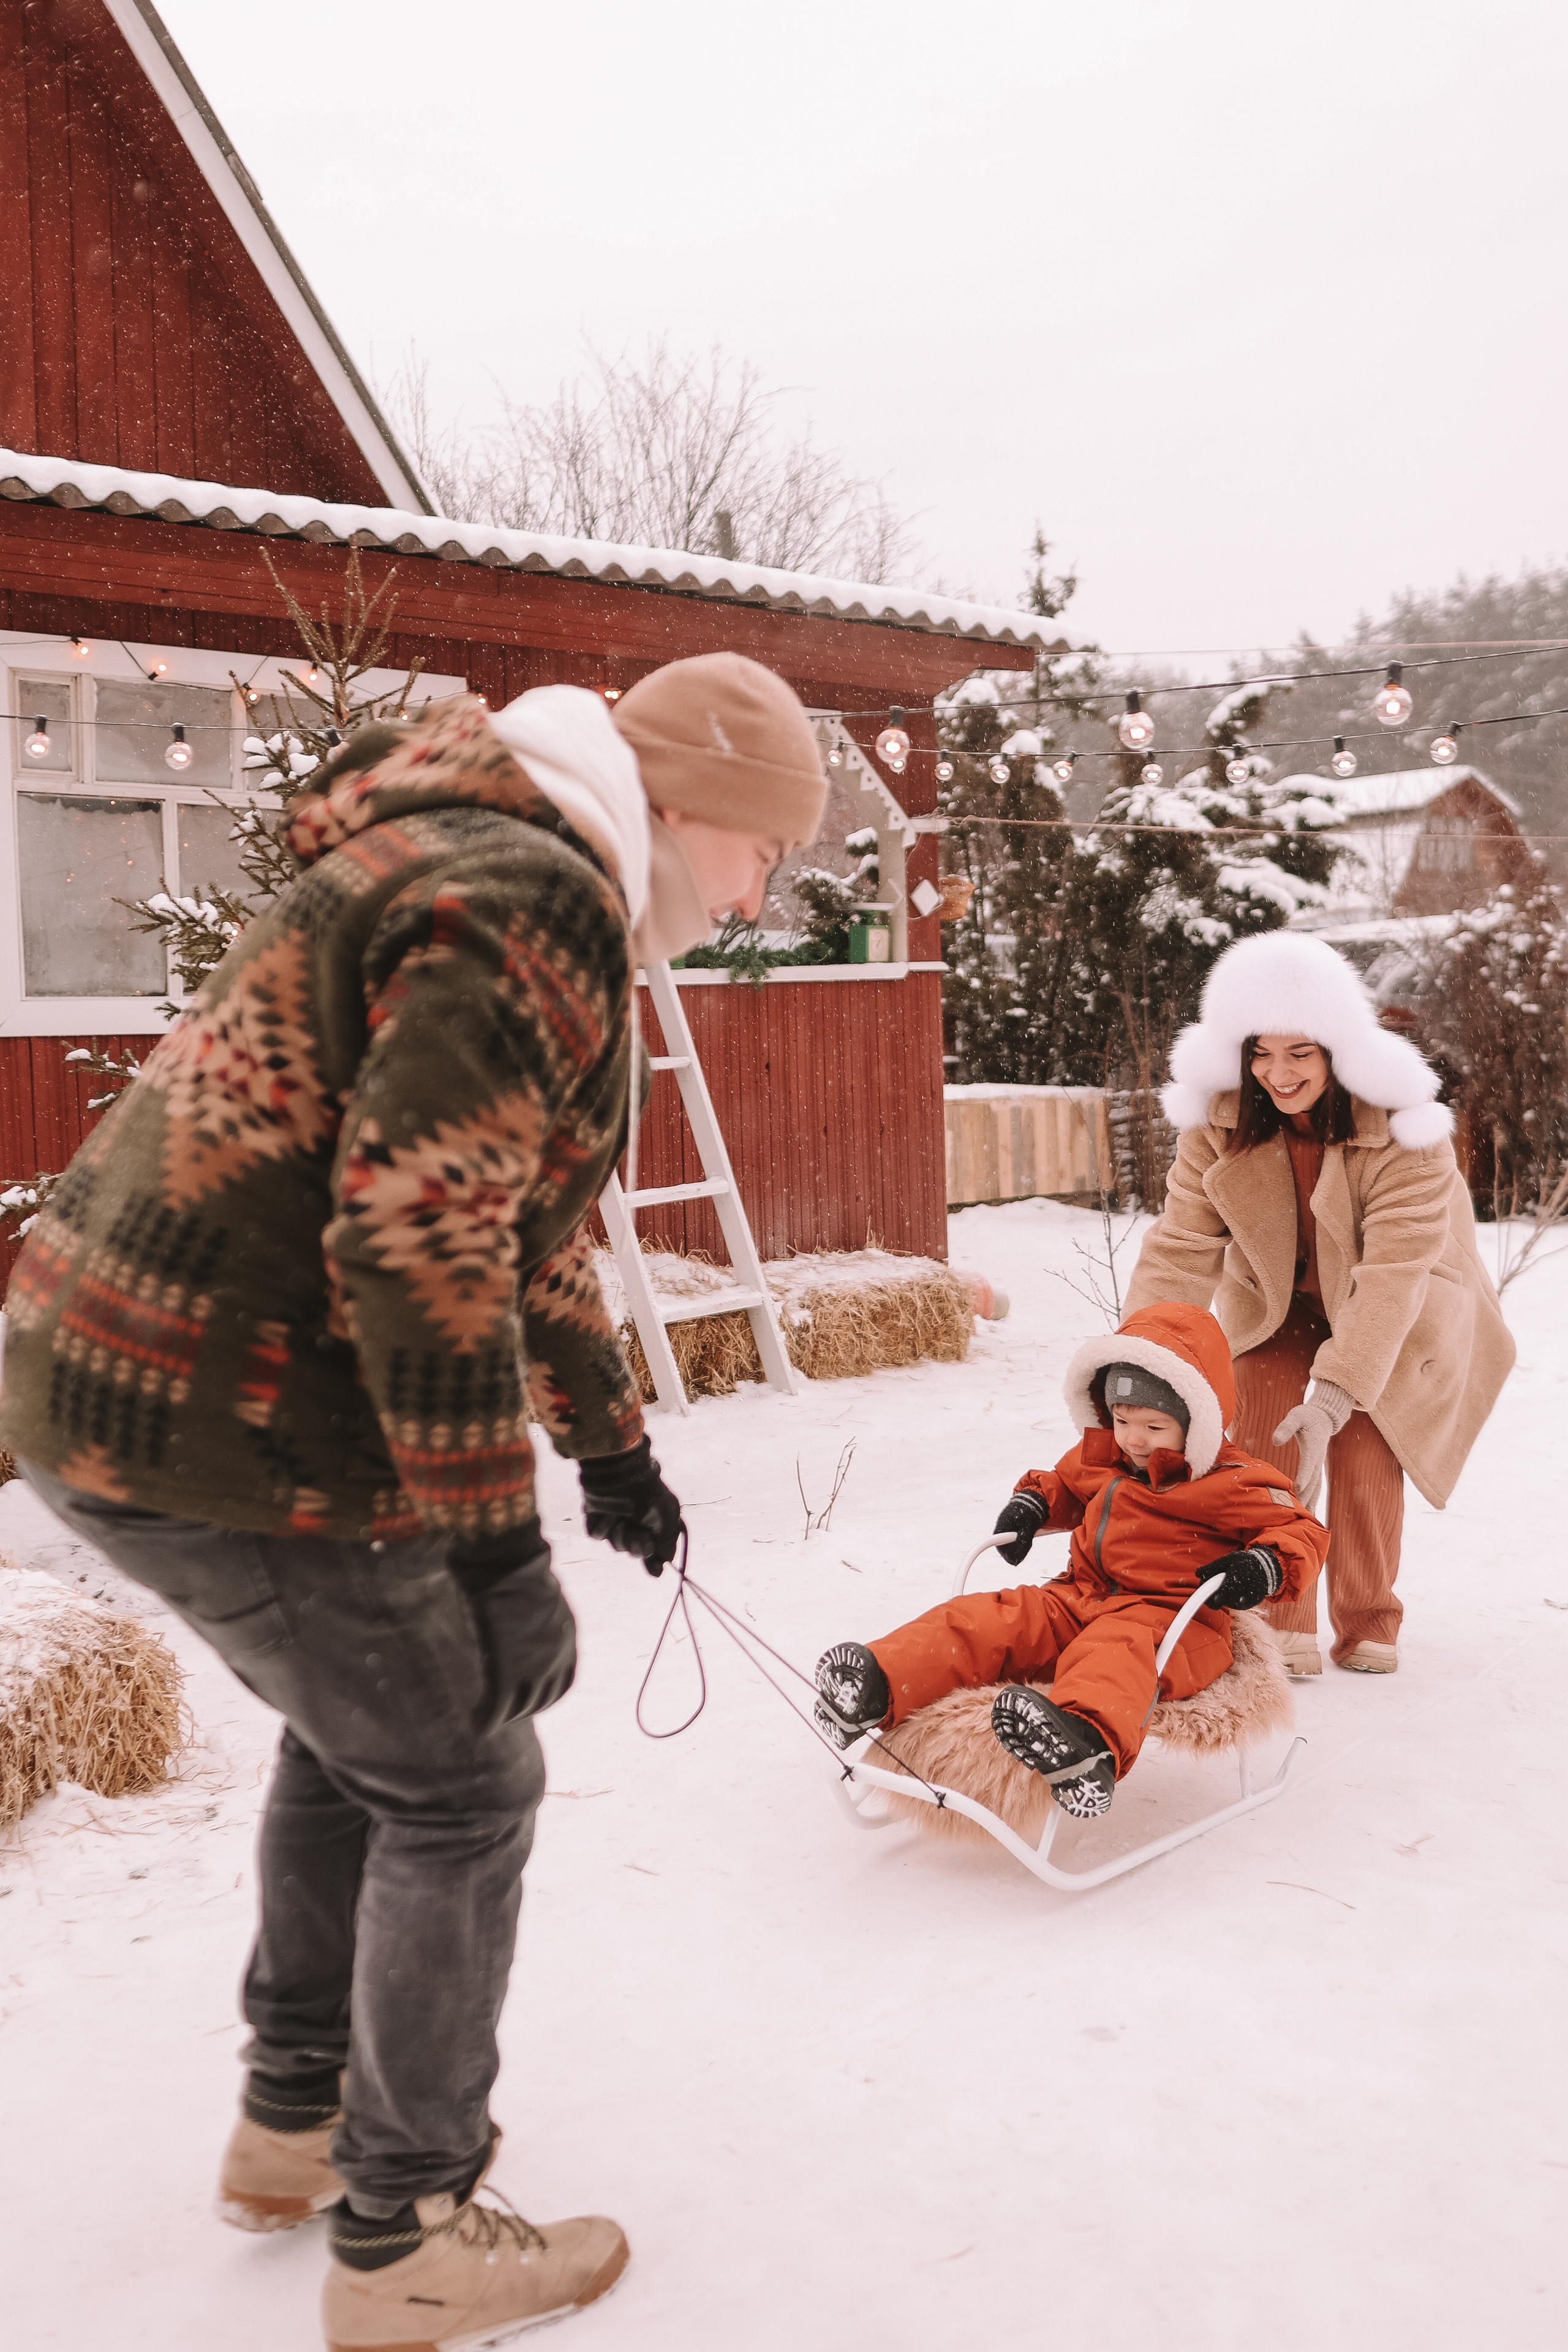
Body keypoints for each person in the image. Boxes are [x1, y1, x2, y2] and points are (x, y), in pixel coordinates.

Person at [0, 653, 826, 2347]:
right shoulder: (532, 900)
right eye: (768, 855)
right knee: (462, 1779)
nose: (765, 896)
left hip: (121, 1379)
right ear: (697, 810)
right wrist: (496, 1550)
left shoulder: (486, 858)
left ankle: (295, 2123)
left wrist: (609, 1452)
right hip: (226, 1404)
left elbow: (511, 1221)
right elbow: (419, 1241)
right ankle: (411, 2235)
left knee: (363, 1733)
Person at [1123, 931, 1515, 1678]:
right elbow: (1180, 1246)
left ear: (1336, 1051)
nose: (1277, 1073)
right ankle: (1280, 1613)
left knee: (1364, 1432)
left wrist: (1334, 1395)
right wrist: (1138, 1364)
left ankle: (1368, 1616)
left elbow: (1394, 1274)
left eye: (1299, 1053)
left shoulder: (1404, 1131)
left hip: (1398, 1300)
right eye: (1260, 1054)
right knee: (1264, 1413)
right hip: (1279, 1301)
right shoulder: (1220, 1124)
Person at [813, 1302, 1329, 1817]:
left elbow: (1301, 1529)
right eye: (1123, 1420)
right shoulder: (1107, 1456)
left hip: (1172, 1623)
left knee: (1117, 1650)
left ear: (1196, 1422)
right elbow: (1063, 1483)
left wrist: (1264, 1565)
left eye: (1153, 1427)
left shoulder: (1232, 1479)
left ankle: (1085, 1750)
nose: (1133, 1438)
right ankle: (876, 1685)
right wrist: (1033, 1505)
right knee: (986, 1618)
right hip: (1076, 1598)